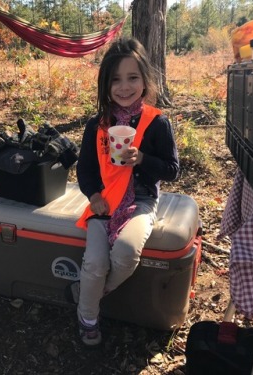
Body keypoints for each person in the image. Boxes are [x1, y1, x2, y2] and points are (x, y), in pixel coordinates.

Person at [74, 37, 180, 346]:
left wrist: (144, 159)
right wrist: (94, 197)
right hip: (104, 201)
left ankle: (88, 292)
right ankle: (87, 316)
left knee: (125, 252)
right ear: (106, 84)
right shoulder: (98, 124)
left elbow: (172, 170)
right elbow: (86, 170)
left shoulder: (157, 122)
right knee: (94, 262)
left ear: (145, 80)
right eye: (116, 79)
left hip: (142, 201)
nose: (124, 86)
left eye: (132, 77)